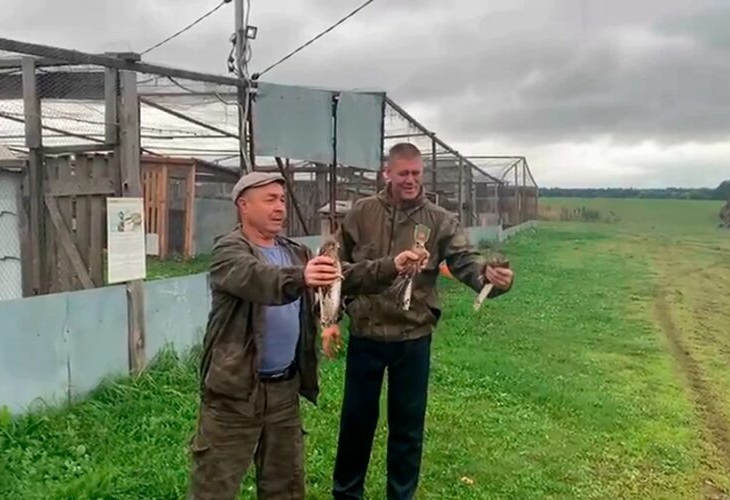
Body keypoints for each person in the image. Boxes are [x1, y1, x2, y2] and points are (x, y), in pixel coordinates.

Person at [187, 171, 426, 500]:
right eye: (269, 199)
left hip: (284, 390)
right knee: (214, 488)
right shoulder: (229, 251)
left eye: (282, 200)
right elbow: (257, 278)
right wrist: (302, 276)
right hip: (236, 392)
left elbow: (342, 277)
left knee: (285, 488)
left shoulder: (295, 251)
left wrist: (392, 266)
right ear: (243, 205)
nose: (279, 207)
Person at [328, 143, 515, 499]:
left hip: (412, 337)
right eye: (403, 174)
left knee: (407, 429)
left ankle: (401, 495)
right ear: (387, 173)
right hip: (367, 333)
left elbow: (464, 261)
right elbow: (337, 264)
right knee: (356, 424)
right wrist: (332, 316)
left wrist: (489, 278)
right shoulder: (361, 214)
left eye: (416, 173)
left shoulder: (440, 220)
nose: (411, 180)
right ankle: (346, 494)